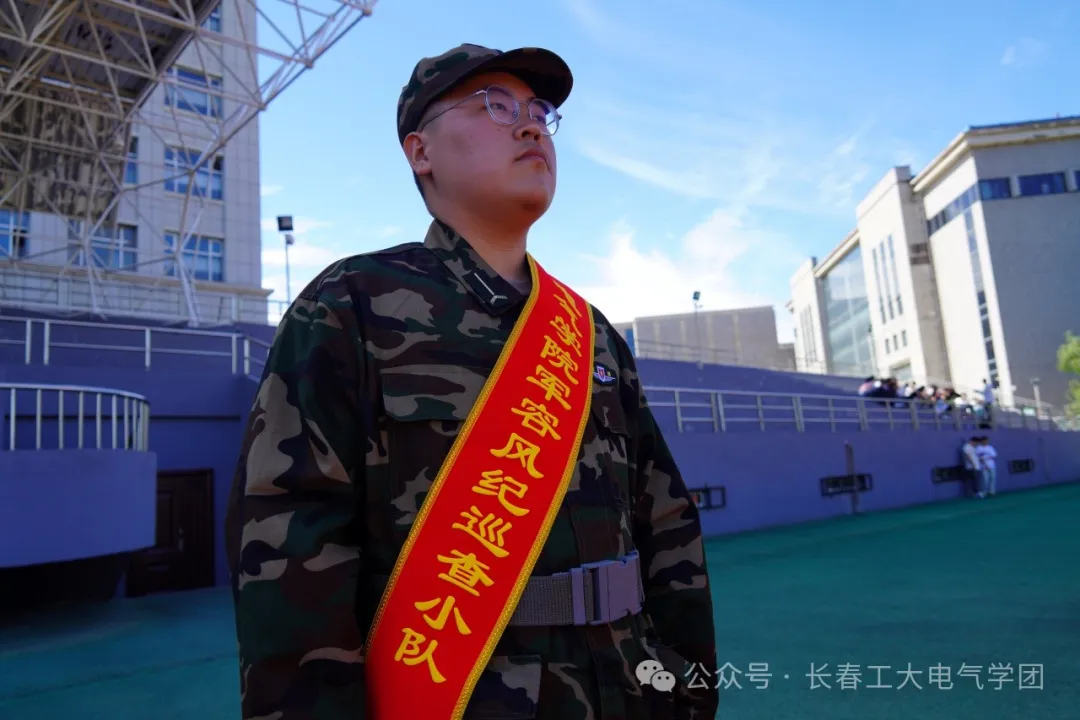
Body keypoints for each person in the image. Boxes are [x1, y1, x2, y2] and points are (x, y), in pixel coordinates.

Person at [224, 43, 718, 720]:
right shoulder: (351, 304)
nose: (532, 125)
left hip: (630, 695)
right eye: (496, 105)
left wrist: (687, 691)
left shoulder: (590, 330)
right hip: (458, 696)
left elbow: (665, 519)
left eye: (539, 111)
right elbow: (287, 539)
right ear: (420, 151)